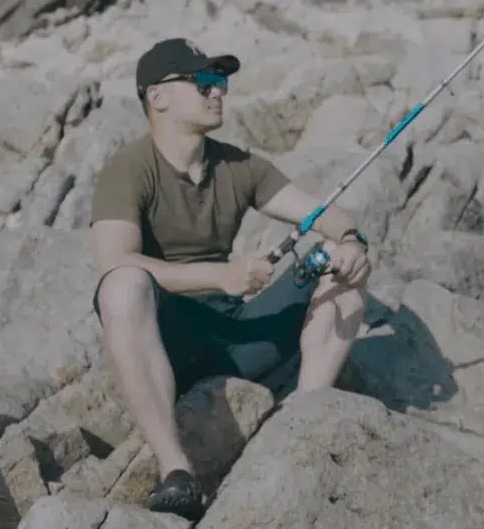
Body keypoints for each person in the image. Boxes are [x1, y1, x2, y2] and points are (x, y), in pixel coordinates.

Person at [89, 38, 371, 520]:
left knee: (338, 262)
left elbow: (325, 215)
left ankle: (302, 423)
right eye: (203, 81)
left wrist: (351, 240)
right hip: (174, 344)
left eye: (220, 81)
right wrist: (220, 275)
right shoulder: (129, 170)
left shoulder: (241, 167)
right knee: (122, 285)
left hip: (242, 335)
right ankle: (175, 471)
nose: (217, 91)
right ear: (157, 97)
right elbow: (114, 260)